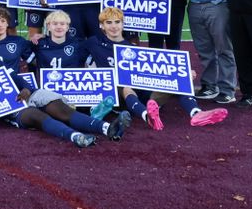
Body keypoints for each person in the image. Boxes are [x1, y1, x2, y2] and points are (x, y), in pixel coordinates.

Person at [0, 39, 127, 147]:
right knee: (36, 115)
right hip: (10, 107)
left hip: (28, 94)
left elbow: (16, 78)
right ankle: (75, 137)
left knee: (59, 108)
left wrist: (27, 89)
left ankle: (105, 128)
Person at [85, 7, 227, 128]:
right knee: (126, 86)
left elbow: (158, 69)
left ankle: (196, 113)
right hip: (118, 94)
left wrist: (183, 73)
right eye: (108, 23)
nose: (113, 26)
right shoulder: (93, 42)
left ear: (123, 24)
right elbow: (70, 52)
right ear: (101, 26)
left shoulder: (132, 48)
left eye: (117, 22)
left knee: (179, 80)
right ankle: (147, 116)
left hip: (142, 90)